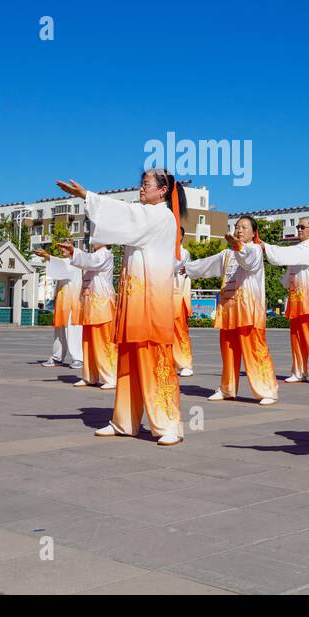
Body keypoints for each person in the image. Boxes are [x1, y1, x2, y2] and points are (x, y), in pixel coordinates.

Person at [55, 169, 184, 445]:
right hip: (134, 298)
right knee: (128, 359)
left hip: (152, 301)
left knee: (153, 358)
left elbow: (127, 217)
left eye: (146, 184)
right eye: (141, 183)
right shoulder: (147, 214)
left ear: (162, 190)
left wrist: (87, 196)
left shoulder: (161, 216)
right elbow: (126, 219)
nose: (140, 188)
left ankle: (168, 423)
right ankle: (125, 421)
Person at [183, 216, 278, 405]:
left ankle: (267, 390)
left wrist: (239, 246)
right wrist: (187, 268)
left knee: (254, 349)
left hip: (249, 308)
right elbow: (207, 263)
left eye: (244, 227)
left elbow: (248, 261)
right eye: (237, 227)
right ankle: (227, 388)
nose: (239, 230)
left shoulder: (255, 250)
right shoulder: (227, 254)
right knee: (228, 350)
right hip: (228, 308)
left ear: (253, 232)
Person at [261, 218, 309, 384]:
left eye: (303, 227)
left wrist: (266, 247)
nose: (299, 230)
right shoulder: (300, 249)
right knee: (297, 337)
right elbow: (290, 268)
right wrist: (284, 283)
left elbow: (290, 255)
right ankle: (299, 371)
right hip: (297, 298)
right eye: (298, 227)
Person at [54, 240, 118, 389]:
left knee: (103, 342)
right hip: (90, 306)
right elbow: (85, 262)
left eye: (97, 237)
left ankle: (111, 376)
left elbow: (90, 261)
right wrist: (71, 253)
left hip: (102, 304)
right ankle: (90, 376)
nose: (92, 241)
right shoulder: (94, 256)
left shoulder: (105, 255)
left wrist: (73, 251)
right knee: (88, 342)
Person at [36, 247, 83, 370]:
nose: (62, 249)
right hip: (62, 302)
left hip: (72, 303)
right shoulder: (64, 264)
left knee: (72, 331)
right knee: (59, 332)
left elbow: (63, 266)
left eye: (65, 247)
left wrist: (47, 255)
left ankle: (78, 358)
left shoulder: (74, 263)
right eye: (61, 247)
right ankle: (57, 357)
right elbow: (60, 269)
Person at [174, 246, 194, 377]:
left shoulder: (183, 252)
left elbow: (173, 266)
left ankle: (185, 364)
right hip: (160, 296)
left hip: (177, 296)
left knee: (180, 332)